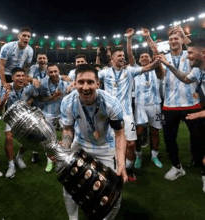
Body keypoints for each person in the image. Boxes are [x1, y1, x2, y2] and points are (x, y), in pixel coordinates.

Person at [60, 64, 128, 220]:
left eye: (90, 82)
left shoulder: (111, 103)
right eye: (81, 82)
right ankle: (73, 218)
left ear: (98, 84)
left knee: (114, 192)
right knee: (69, 186)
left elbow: (119, 134)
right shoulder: (67, 102)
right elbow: (67, 130)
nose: (85, 87)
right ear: (75, 83)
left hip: (106, 147)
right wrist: (64, 146)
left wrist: (122, 162)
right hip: (80, 146)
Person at [98, 45, 160, 178]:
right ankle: (111, 167)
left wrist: (158, 60)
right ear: (112, 59)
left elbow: (148, 67)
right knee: (109, 144)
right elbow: (92, 78)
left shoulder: (130, 71)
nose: (122, 57)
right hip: (109, 115)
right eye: (119, 56)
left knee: (131, 144)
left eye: (123, 55)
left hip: (126, 114)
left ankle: (129, 168)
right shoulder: (105, 73)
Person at [155, 26, 203, 181]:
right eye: (171, 39)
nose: (173, 41)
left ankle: (201, 168)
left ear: (182, 40)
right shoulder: (164, 57)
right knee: (169, 139)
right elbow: (160, 75)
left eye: (177, 38)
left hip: (191, 104)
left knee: (198, 139)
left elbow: (198, 51)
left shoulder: (189, 55)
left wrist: (183, 34)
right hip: (169, 105)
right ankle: (177, 167)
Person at [127, 28, 163, 169]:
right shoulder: (135, 69)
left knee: (155, 131)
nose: (143, 58)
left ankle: (154, 155)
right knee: (139, 132)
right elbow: (130, 54)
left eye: (146, 57)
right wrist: (129, 38)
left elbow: (157, 54)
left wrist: (148, 38)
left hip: (155, 104)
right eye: (141, 57)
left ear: (150, 59)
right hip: (140, 105)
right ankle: (139, 156)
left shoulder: (156, 69)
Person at [2, 67, 39, 178]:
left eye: (23, 76)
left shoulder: (29, 88)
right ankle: (11, 165)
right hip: (10, 117)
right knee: (9, 138)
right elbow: (0, 104)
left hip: (24, 116)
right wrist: (4, 99)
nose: (21, 78)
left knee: (31, 138)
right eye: (18, 76)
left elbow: (35, 96)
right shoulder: (6, 88)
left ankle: (19, 157)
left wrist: (29, 102)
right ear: (12, 78)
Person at [38, 63, 70, 173]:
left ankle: (64, 160)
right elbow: (41, 99)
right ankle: (50, 161)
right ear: (47, 73)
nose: (53, 74)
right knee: (49, 139)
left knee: (67, 136)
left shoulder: (66, 82)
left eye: (55, 71)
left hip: (63, 113)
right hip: (49, 112)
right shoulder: (43, 84)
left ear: (59, 71)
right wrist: (52, 97)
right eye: (50, 72)